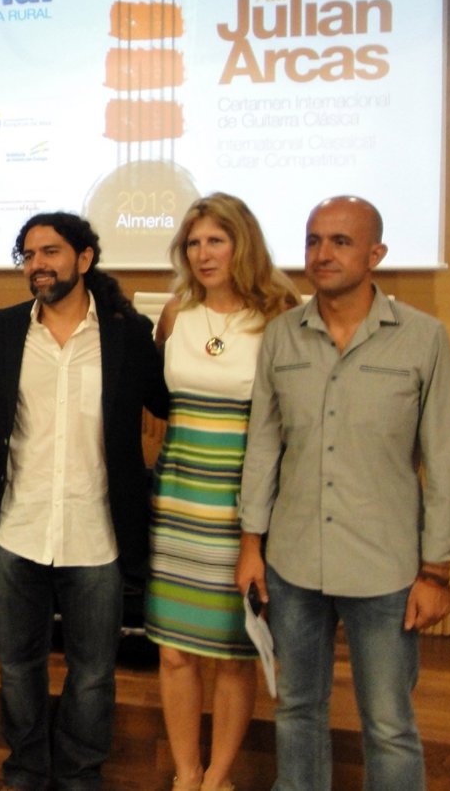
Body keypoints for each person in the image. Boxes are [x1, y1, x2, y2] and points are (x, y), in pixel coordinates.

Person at [236, 196, 450, 791]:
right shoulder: (282, 336)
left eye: (340, 241)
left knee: (389, 723)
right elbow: (263, 446)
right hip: (293, 561)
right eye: (313, 240)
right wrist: (251, 546)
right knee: (297, 708)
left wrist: (437, 571)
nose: (322, 253)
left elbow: (446, 458)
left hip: (386, 568)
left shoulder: (422, 338)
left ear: (376, 254)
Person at [0, 211, 169, 791]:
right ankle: (25, 771)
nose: (38, 264)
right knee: (17, 667)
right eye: (29, 254)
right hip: (18, 528)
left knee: (92, 674)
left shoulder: (127, 333)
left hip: (97, 534)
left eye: (51, 252)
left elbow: (167, 404)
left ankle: (81, 776)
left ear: (84, 259)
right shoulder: (5, 328)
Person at [144, 194, 300, 791]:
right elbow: (159, 399)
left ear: (243, 244)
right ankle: (186, 774)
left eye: (216, 241)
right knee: (174, 649)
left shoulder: (280, 314)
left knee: (235, 650)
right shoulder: (176, 313)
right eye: (193, 243)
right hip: (178, 501)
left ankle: (218, 778)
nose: (203, 254)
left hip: (243, 508)